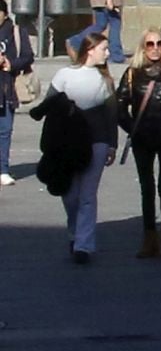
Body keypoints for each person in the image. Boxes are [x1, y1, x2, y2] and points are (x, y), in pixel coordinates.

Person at [116, 28, 161, 260]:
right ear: (142, 48)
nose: (155, 48)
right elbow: (119, 105)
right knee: (146, 187)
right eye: (150, 44)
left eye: (159, 43)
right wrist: (132, 129)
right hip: (143, 138)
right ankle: (149, 239)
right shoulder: (132, 73)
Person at [49, 34, 118, 264]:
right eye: (104, 49)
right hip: (68, 141)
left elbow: (111, 114)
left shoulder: (105, 80)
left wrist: (112, 144)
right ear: (90, 49)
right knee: (70, 195)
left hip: (97, 140)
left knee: (87, 194)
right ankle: (74, 231)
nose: (107, 53)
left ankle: (83, 245)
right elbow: (50, 104)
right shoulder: (65, 75)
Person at [0, 0, 35, 185]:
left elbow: (28, 56)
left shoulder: (16, 32)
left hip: (7, 89)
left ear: (5, 14)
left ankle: (3, 169)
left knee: (4, 131)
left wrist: (10, 64)